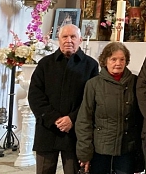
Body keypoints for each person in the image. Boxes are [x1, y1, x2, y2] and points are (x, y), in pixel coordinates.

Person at [28, 24, 99, 174]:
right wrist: (54, 118)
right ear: (58, 40)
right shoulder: (45, 64)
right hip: (48, 129)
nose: (69, 40)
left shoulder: (90, 65)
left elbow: (91, 99)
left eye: (73, 37)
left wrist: (72, 119)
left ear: (80, 39)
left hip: (75, 132)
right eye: (64, 37)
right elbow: (35, 96)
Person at [76, 42, 143, 174]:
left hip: (127, 149)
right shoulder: (93, 84)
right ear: (105, 60)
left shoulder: (135, 82)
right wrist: (85, 152)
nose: (118, 63)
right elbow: (84, 120)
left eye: (122, 59)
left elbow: (140, 119)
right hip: (100, 149)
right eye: (113, 59)